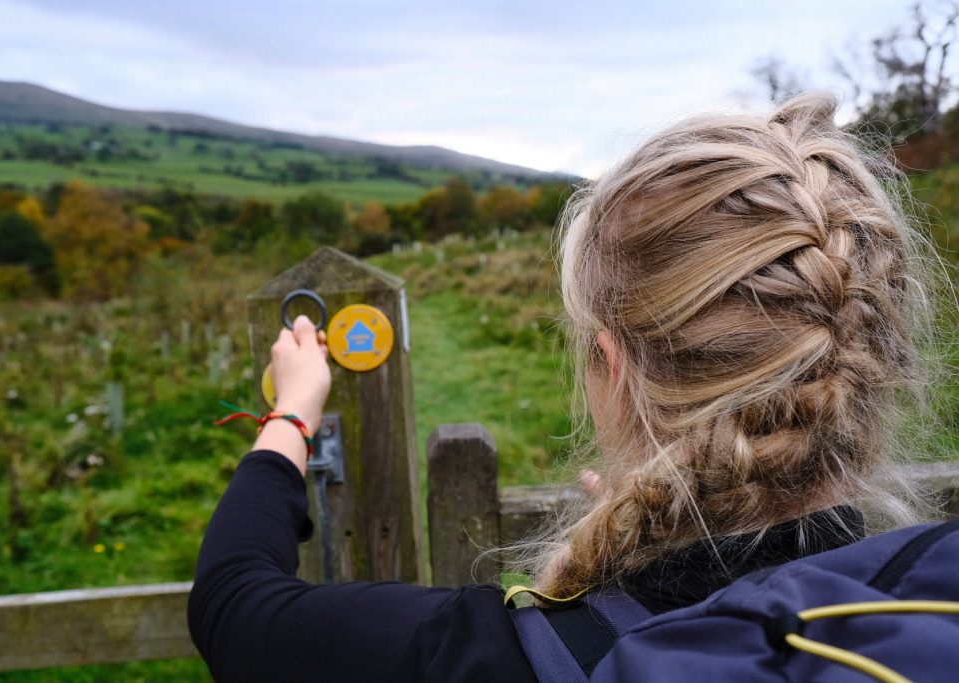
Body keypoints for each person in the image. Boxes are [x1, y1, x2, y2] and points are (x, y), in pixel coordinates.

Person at [188, 92, 937, 681]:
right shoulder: (925, 595)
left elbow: (232, 603)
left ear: (613, 369)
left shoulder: (493, 658)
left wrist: (291, 411)